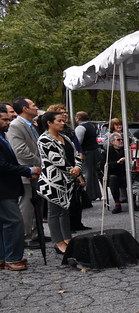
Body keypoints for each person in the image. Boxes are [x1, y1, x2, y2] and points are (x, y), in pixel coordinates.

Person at [36, 110, 82, 257]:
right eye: (59, 121)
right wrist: (73, 171)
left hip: (67, 181)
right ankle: (58, 242)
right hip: (52, 182)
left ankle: (67, 238)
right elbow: (56, 160)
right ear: (49, 123)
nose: (63, 123)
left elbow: (77, 154)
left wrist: (78, 168)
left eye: (63, 121)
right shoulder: (44, 140)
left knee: (65, 211)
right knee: (54, 212)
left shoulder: (65, 138)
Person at [0, 101, 41, 270]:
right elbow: (2, 165)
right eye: (4, 119)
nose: (8, 122)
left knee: (5, 223)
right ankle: (12, 258)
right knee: (14, 222)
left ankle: (4, 257)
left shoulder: (2, 136)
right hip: (3, 188)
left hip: (7, 186)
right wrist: (27, 169)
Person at [7, 98, 43, 244]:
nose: (36, 107)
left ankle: (36, 234)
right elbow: (20, 151)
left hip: (36, 171)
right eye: (33, 105)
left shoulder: (29, 125)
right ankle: (25, 237)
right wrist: (41, 163)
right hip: (27, 172)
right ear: (25, 109)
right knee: (27, 206)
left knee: (36, 205)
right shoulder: (16, 125)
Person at [74, 111, 102, 202]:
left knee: (87, 173)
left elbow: (78, 142)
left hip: (86, 152)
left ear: (78, 118)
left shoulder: (80, 128)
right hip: (94, 151)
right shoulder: (92, 126)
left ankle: (88, 195)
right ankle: (97, 193)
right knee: (93, 173)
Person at [103, 133, 129, 212]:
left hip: (125, 173)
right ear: (112, 142)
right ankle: (117, 204)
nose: (121, 141)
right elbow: (103, 166)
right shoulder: (107, 153)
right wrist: (117, 162)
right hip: (114, 174)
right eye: (118, 140)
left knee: (134, 176)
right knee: (113, 178)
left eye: (122, 140)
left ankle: (134, 202)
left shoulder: (126, 150)